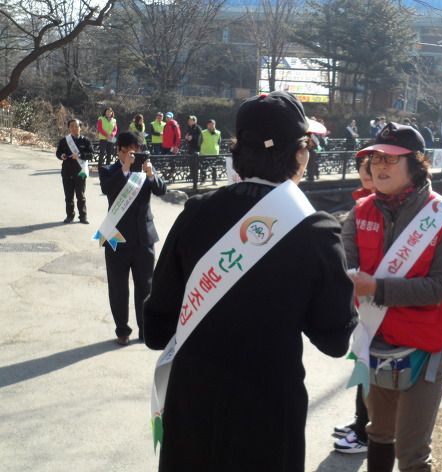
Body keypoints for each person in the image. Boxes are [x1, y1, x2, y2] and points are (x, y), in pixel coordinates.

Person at [143, 91, 356, 472]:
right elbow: (335, 340)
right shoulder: (316, 230)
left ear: (238, 149)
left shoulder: (195, 213)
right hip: (268, 414)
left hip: (193, 406)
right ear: (299, 153)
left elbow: (157, 329)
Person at [342, 122, 442, 471]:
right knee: (378, 432)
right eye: (376, 157)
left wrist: (377, 289)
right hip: (375, 341)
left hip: (424, 348)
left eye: (391, 159)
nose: (379, 165)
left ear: (416, 164)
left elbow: (441, 286)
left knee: (412, 452)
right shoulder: (360, 212)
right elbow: (343, 266)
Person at [97, 131, 167, 346]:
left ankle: (145, 329)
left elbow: (161, 190)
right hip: (116, 238)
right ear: (119, 151)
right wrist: (125, 168)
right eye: (127, 151)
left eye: (135, 151)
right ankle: (122, 330)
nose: (132, 155)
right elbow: (108, 189)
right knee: (118, 288)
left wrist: (151, 175)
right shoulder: (108, 170)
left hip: (144, 238)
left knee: (146, 287)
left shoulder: (145, 170)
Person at [332, 153, 376, 455]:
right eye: (364, 167)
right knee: (363, 364)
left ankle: (365, 430)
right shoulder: (363, 204)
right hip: (365, 303)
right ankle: (361, 422)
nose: (367, 172)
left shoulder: (387, 208)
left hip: (380, 302)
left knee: (370, 366)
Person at [55, 119, 94, 224]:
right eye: (71, 126)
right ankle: (69, 216)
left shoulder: (86, 141)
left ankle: (83, 217)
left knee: (81, 196)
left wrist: (80, 155)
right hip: (67, 171)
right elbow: (58, 153)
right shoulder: (64, 141)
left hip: (80, 172)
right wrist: (61, 155)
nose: (74, 128)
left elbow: (91, 155)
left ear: (80, 128)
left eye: (76, 126)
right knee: (68, 196)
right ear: (69, 128)